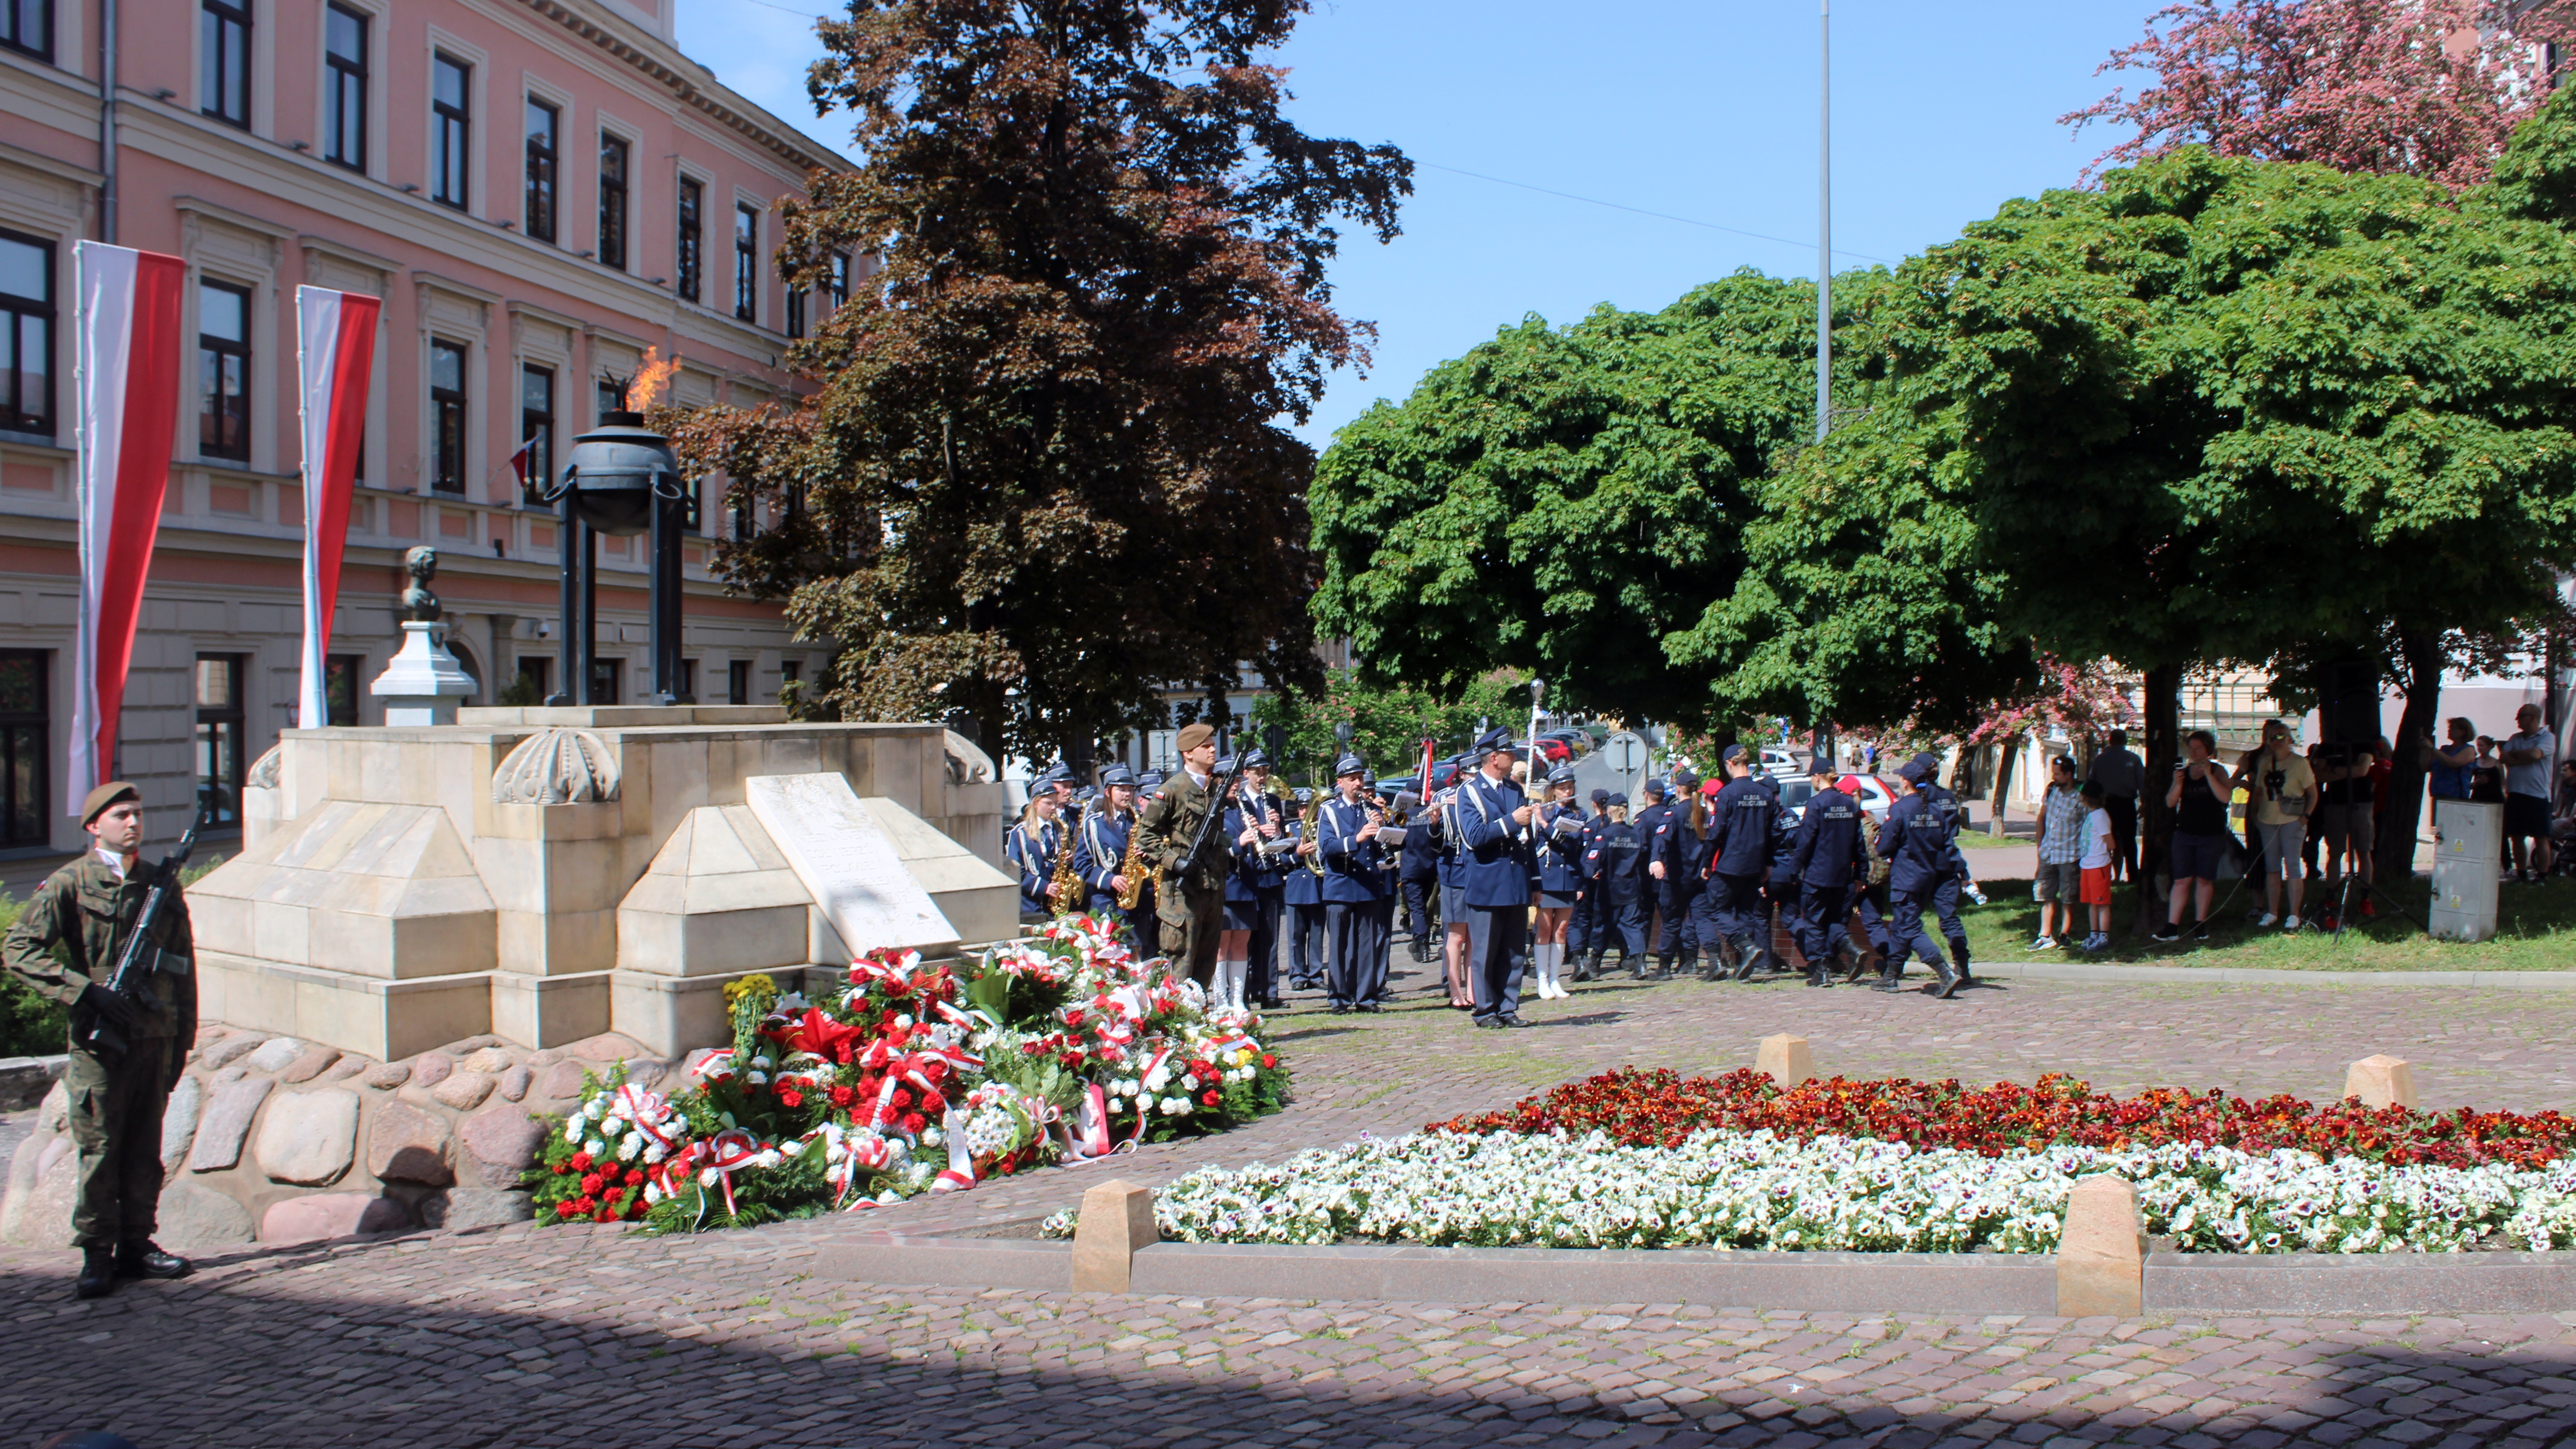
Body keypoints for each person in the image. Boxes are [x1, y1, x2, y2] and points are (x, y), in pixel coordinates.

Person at [4, 782, 198, 1298]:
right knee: (101, 1148)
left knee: (144, 1148)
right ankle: (96, 1252)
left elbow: (183, 968)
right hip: (99, 1039)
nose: (133, 824)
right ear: (94, 826)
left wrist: (183, 1036)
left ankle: (139, 1245)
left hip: (153, 1035)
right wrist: (85, 992)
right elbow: (19, 950)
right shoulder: (70, 882)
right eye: (120, 816)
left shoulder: (160, 883)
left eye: (137, 814)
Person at [1132, 722, 1228, 988]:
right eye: (1206, 747)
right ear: (1188, 753)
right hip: (1182, 893)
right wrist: (1176, 861)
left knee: (1206, 964)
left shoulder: (1216, 788)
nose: (1212, 751)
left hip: (1213, 887)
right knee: (1181, 962)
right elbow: (1146, 836)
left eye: (1213, 745)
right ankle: (1178, 1021)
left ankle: (1201, 1021)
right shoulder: (1172, 790)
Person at [1454, 727, 1536, 1029]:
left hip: (1515, 880)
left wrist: (1535, 882)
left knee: (1514, 950)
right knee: (1486, 951)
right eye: (1508, 753)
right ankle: (1485, 1009)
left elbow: (1530, 840)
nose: (1513, 757)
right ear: (1493, 758)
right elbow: (1473, 836)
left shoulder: (1515, 790)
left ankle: (1508, 1006)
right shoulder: (1470, 791)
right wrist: (1510, 822)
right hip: (1488, 882)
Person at [1875, 759, 1964, 998]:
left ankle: (1944, 972)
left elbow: (1884, 846)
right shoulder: (1935, 810)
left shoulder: (1900, 809)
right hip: (1927, 877)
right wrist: (1964, 873)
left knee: (1909, 927)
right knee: (1901, 927)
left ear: (1905, 782)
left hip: (1906, 877)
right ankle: (1891, 977)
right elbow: (1947, 845)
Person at [1785, 758, 1868, 987]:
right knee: (1833, 919)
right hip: (1842, 875)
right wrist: (1861, 873)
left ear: (1817, 777)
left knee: (1813, 922)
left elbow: (1805, 842)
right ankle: (1852, 950)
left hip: (1818, 874)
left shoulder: (1816, 804)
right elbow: (1858, 843)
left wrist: (1794, 870)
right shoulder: (1850, 803)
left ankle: (1820, 972)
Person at [1317, 754, 1388, 1013]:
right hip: (1340, 885)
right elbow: (1327, 847)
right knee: (1338, 945)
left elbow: (1385, 847)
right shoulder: (1330, 811)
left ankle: (1366, 997)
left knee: (1367, 944)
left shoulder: (1373, 810)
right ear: (1340, 783)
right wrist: (1356, 838)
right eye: (1352, 779)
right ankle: (1338, 997)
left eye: (1360, 779)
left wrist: (1387, 831)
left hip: (1368, 884)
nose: (1358, 784)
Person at [1702, 747, 1778, 981]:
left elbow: (1717, 832)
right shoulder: (1765, 793)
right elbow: (1774, 833)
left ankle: (1745, 947)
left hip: (1731, 863)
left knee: (1715, 907)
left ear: (1729, 764)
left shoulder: (1727, 794)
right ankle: (1745, 965)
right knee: (1746, 912)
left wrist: (1707, 862)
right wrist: (1767, 863)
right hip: (1755, 863)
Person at [2234, 719, 2317, 931]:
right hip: (2267, 822)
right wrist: (2255, 815)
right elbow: (2259, 790)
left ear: (2290, 739)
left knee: (2293, 868)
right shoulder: (2264, 762)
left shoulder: (2300, 763)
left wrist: (2304, 817)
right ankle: (2272, 912)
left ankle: (2294, 915)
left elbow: (2313, 793)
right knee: (2271, 869)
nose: (2277, 740)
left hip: (2292, 821)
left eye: (2281, 736)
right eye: (2273, 737)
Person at [2156, 730, 2234, 941]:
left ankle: (2200, 924)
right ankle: (2172, 927)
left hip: (2211, 834)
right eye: (2191, 748)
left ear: (2208, 750)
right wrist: (2178, 783)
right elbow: (2170, 803)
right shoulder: (2184, 772)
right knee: (2182, 880)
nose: (2194, 752)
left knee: (2204, 880)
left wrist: (2209, 776)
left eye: (2198, 748)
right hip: (2185, 832)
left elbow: (2226, 798)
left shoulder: (2219, 771)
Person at [1072, 765, 1153, 955]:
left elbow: (1155, 858)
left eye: (1130, 790)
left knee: (1137, 956)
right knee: (1111, 956)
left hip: (1138, 900)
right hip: (1107, 901)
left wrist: (1147, 853)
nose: (1127, 795)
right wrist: (1110, 880)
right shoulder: (1094, 824)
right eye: (1122, 789)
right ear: (1108, 792)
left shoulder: (1139, 820)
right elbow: (1082, 865)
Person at [1525, 764, 1585, 999]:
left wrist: (1544, 825)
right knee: (1545, 928)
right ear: (1553, 790)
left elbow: (1570, 844)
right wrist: (1538, 819)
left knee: (1561, 930)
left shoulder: (1578, 815)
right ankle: (1542, 979)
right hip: (1547, 876)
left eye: (1570, 787)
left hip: (1568, 876)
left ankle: (1555, 979)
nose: (1567, 792)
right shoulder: (1545, 812)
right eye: (1562, 788)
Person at [1581, 793, 1648, 975]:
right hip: (1631, 887)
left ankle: (1594, 963)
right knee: (1633, 925)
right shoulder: (1635, 834)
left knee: (1603, 925)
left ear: (1610, 811)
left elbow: (1593, 859)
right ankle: (1641, 965)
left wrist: (1587, 874)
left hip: (1609, 888)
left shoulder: (1606, 834)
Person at [2314, 740, 2376, 916]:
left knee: (2364, 851)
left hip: (2362, 803)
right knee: (2335, 852)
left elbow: (2362, 770)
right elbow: (2319, 775)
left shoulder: (2366, 743)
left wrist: (2334, 770)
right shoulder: (2328, 746)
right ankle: (2331, 897)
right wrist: (2350, 772)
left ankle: (2366, 897)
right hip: (2335, 803)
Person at [2031, 754, 2086, 951]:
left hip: (2070, 854)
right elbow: (2042, 818)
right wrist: (2040, 848)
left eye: (2058, 774)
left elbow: (2088, 826)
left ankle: (2065, 934)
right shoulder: (2052, 790)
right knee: (2046, 894)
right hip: (2049, 852)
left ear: (2069, 775)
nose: (2054, 778)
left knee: (2068, 896)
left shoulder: (2081, 798)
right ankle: (2045, 935)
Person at [2502, 703, 2558, 882]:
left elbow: (2536, 755)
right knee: (2516, 836)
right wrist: (2522, 757)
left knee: (2541, 837)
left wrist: (2516, 756)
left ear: (2534, 718)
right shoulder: (2515, 738)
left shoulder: (2547, 737)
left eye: (2521, 716)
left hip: (2537, 796)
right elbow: (2504, 757)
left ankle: (2542, 876)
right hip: (2516, 793)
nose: (2517, 720)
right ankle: (2521, 874)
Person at [1002, 778, 1066, 922]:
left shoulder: (1059, 829)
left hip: (1056, 902)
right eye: (1048, 804)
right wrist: (1044, 887)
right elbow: (1016, 870)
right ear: (1036, 804)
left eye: (1055, 804)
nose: (1053, 808)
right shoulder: (1020, 833)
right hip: (1031, 905)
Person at [2087, 729, 2145, 883]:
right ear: (2125, 741)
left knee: (2105, 841)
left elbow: (2091, 783)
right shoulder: (2134, 759)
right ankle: (2133, 876)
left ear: (2110, 741)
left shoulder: (2100, 759)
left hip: (2106, 805)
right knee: (2129, 842)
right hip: (2126, 804)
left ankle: (2105, 876)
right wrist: (2144, 803)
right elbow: (2142, 784)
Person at [1283, 791, 1326, 991]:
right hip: (1296, 889)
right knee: (1296, 937)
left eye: (1308, 808)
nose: (1304, 812)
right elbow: (1281, 860)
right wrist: (1297, 854)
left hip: (1317, 889)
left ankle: (1316, 974)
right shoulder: (1290, 830)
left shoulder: (1322, 829)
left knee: (1316, 937)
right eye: (1302, 808)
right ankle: (1297, 975)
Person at [2077, 781, 2115, 952]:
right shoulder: (2093, 815)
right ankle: (2094, 935)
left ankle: (2104, 936)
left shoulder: (2100, 816)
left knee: (2102, 903)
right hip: (2088, 864)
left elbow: (2110, 843)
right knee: (2092, 902)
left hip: (2099, 865)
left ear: (2086, 797)